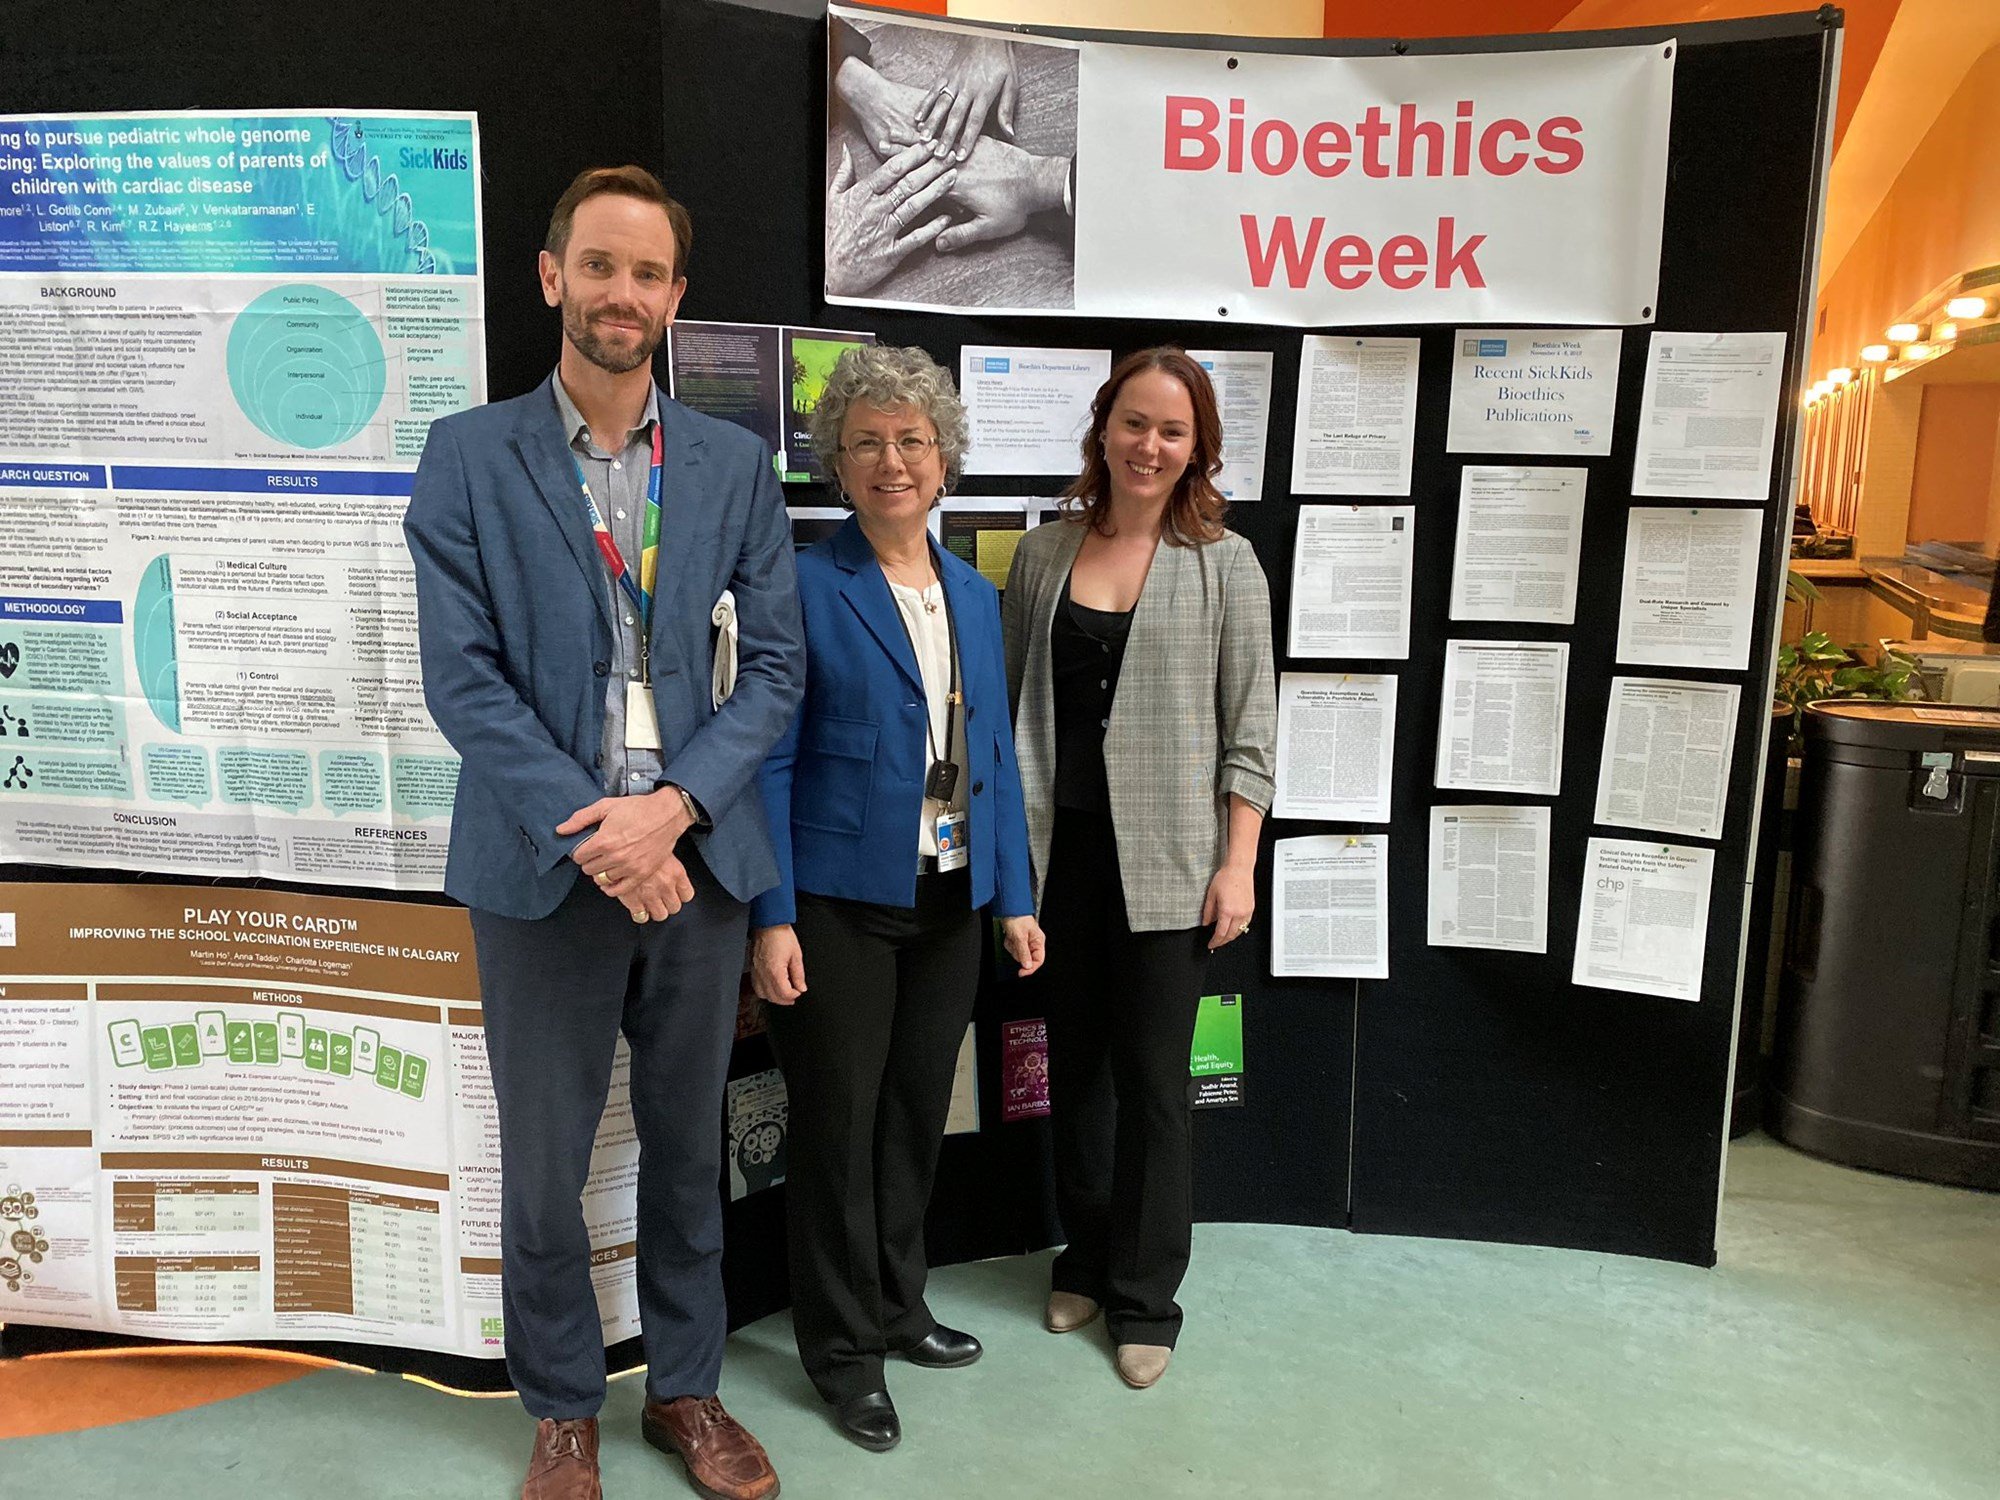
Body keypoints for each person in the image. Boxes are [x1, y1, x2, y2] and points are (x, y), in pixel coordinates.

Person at [404, 166, 802, 1500]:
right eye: (600, 266)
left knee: (689, 1150)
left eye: (648, 274)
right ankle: (563, 1406)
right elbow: (462, 680)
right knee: (546, 1166)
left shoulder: (736, 465)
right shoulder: (470, 455)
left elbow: (779, 673)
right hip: (541, 868)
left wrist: (673, 811)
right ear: (551, 277)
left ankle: (684, 1393)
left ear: (676, 298)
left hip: (698, 866)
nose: (622, 293)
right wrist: (598, 831)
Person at [748, 344, 1045, 1451]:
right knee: (835, 1132)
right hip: (834, 904)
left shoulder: (972, 590)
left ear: (943, 458)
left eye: (911, 442)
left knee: (913, 1118)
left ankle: (894, 1302)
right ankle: (842, 1356)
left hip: (950, 902)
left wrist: (1011, 895)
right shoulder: (800, 582)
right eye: (867, 441)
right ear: (836, 458)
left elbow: (992, 758)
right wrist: (770, 915)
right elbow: (766, 764)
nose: (890, 461)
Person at [1002, 347, 1276, 1391]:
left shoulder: (1224, 565)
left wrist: (1236, 865)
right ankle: (1084, 1254)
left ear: (1195, 445)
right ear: (1102, 429)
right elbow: (1010, 718)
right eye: (1132, 423)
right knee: (1073, 1079)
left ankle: (1146, 1294)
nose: (1148, 445)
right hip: (1057, 862)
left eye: (1170, 430)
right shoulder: (1042, 555)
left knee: (1156, 1088)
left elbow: (1250, 732)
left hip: (1168, 869)